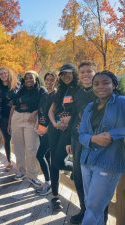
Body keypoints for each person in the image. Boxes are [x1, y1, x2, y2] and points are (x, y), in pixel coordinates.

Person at [79, 70, 125, 225]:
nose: (100, 87)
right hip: (86, 161)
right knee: (91, 205)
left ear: (114, 84)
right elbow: (81, 134)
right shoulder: (90, 107)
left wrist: (113, 133)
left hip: (109, 162)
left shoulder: (122, 102)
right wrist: (93, 138)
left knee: (93, 208)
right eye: (96, 83)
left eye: (106, 82)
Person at [65, 61, 99, 224]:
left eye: (89, 71)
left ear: (95, 73)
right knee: (78, 177)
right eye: (82, 72)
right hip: (77, 139)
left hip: (94, 142)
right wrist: (69, 140)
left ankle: (97, 216)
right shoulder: (78, 93)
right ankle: (84, 210)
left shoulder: (102, 91)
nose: (86, 75)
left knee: (95, 181)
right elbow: (73, 117)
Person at [47, 63, 79, 212]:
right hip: (56, 130)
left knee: (60, 161)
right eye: (63, 74)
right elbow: (50, 111)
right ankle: (55, 196)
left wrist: (70, 120)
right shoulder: (59, 91)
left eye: (69, 73)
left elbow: (82, 112)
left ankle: (76, 170)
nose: (66, 76)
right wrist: (54, 124)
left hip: (69, 131)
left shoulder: (79, 90)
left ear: (74, 74)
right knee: (54, 162)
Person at [9, 71, 47, 187]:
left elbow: (44, 105)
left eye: (31, 78)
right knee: (18, 147)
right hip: (17, 117)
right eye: (26, 79)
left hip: (32, 119)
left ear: (36, 79)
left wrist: (35, 112)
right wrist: (9, 122)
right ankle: (21, 170)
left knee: (32, 148)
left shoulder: (41, 90)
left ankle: (32, 175)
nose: (28, 80)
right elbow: (14, 104)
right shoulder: (22, 90)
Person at [0, 67, 19, 171]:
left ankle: (20, 162)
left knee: (17, 140)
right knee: (7, 140)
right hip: (3, 117)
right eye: (1, 74)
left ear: (9, 74)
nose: (3, 75)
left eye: (5, 73)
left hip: (16, 117)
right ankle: (9, 161)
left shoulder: (16, 87)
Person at [35, 72, 57, 195]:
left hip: (51, 131)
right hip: (41, 129)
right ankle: (51, 182)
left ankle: (48, 182)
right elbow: (40, 112)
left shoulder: (56, 95)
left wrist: (48, 128)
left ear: (56, 81)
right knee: (47, 157)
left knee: (39, 155)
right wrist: (38, 126)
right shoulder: (43, 94)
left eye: (52, 80)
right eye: (47, 79)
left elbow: (56, 113)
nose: (49, 82)